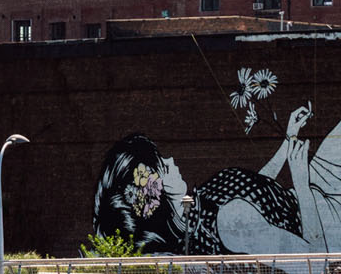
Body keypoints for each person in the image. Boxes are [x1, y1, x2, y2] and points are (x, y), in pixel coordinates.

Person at [92, 109, 322, 256]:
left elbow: (255, 189)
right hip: (322, 211)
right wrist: (302, 185)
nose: (171, 159)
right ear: (162, 199)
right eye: (164, 165)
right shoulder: (225, 222)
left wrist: (288, 140)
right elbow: (314, 262)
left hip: (316, 195)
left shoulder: (200, 203)